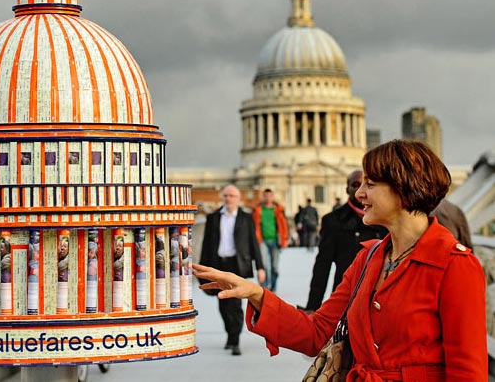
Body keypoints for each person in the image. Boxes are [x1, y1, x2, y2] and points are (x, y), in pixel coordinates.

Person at [194, 140, 487, 380]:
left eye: (370, 184)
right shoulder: (368, 259)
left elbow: (467, 372)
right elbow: (317, 332)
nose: (359, 193)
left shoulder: (455, 265)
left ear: (403, 188)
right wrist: (256, 294)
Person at [303, 170, 388, 311]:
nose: (360, 190)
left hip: (379, 300)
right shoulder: (333, 221)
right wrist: (313, 306)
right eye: (355, 185)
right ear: (347, 189)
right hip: (345, 299)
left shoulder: (385, 219)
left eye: (368, 185)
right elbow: (322, 266)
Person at [199, 184, 265, 356]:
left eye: (232, 196)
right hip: (219, 264)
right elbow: (206, 244)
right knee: (222, 303)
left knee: (235, 303)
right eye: (226, 195)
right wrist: (202, 267)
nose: (228, 199)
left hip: (237, 265)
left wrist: (260, 266)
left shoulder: (246, 218)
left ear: (238, 199)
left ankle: (235, 340)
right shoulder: (213, 218)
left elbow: (253, 243)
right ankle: (230, 334)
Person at [252, 188, 289, 292]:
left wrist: (284, 239)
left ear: (272, 197)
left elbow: (284, 226)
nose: (268, 198)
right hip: (262, 241)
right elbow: (254, 225)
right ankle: (264, 289)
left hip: (275, 241)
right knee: (264, 265)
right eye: (266, 196)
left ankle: (273, 287)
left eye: (269, 196)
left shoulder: (278, 210)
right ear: (263, 197)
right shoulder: (258, 210)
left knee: (274, 267)